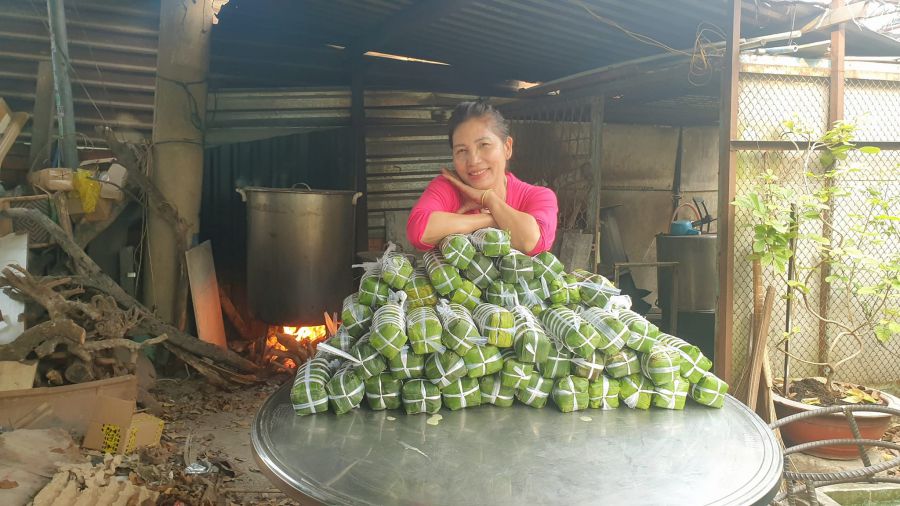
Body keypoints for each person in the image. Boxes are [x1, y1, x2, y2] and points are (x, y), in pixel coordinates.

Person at [406, 100, 558, 256]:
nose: (473, 161)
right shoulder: (447, 187)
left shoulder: (538, 196)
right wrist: (490, 219)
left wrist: (489, 199)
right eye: (462, 150)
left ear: (507, 148)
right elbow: (419, 232)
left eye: (484, 145)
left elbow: (532, 243)